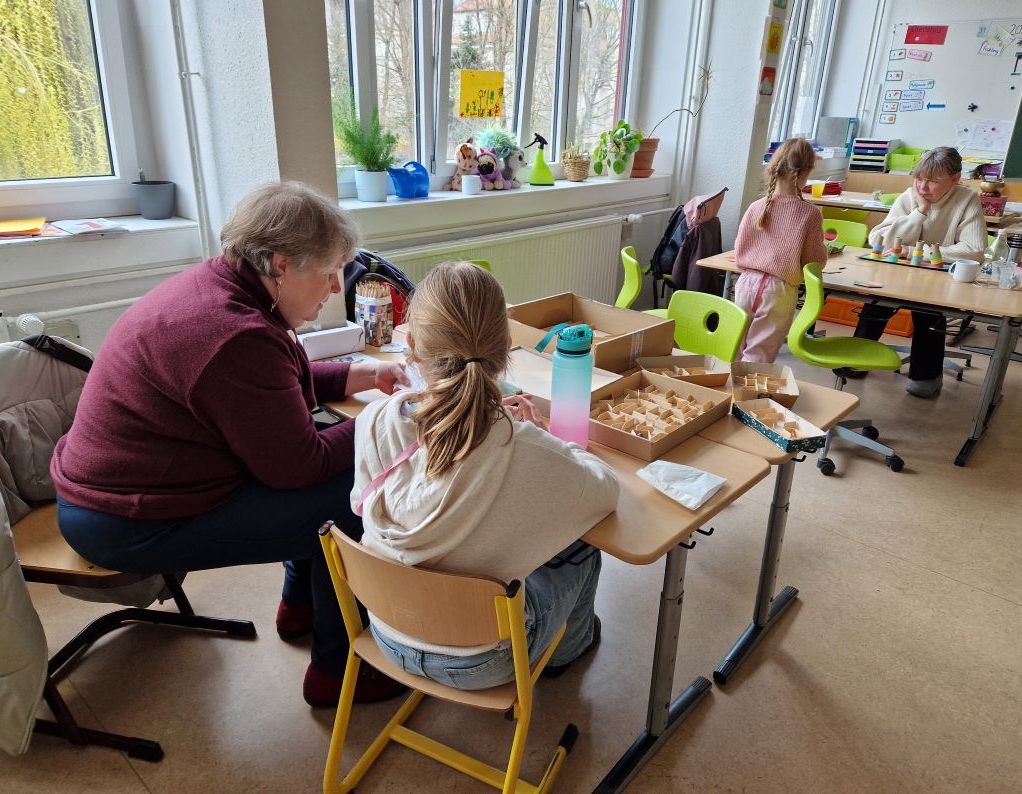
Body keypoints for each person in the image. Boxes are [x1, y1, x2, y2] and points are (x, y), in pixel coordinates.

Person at [52, 182, 409, 708]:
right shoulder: (233, 333)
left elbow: (265, 385)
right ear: (282, 265)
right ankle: (338, 673)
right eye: (329, 270)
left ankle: (301, 608)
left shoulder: (221, 289)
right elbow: (297, 466)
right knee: (353, 498)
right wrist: (391, 419)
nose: (337, 286)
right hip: (124, 523)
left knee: (334, 473)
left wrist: (358, 374)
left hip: (111, 495)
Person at [352, 262, 619, 689]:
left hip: (386, 628)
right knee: (582, 550)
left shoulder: (375, 420)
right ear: (508, 346)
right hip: (480, 661)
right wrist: (542, 436)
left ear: (415, 346)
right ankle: (568, 653)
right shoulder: (520, 445)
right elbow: (605, 491)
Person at [852, 147, 987, 397]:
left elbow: (975, 249)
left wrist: (916, 252)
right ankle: (855, 361)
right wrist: (920, 212)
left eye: (934, 181)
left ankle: (926, 376)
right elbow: (879, 239)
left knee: (929, 314)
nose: (923, 187)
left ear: (955, 179)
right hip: (895, 274)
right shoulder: (910, 196)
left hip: (937, 278)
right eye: (919, 178)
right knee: (876, 304)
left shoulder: (966, 199)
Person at [732, 137, 828, 362]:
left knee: (735, 348)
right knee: (759, 355)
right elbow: (814, 262)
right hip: (778, 292)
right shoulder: (809, 214)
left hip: (746, 284)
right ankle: (748, 396)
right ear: (808, 170)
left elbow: (739, 250)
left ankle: (728, 392)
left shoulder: (756, 206)